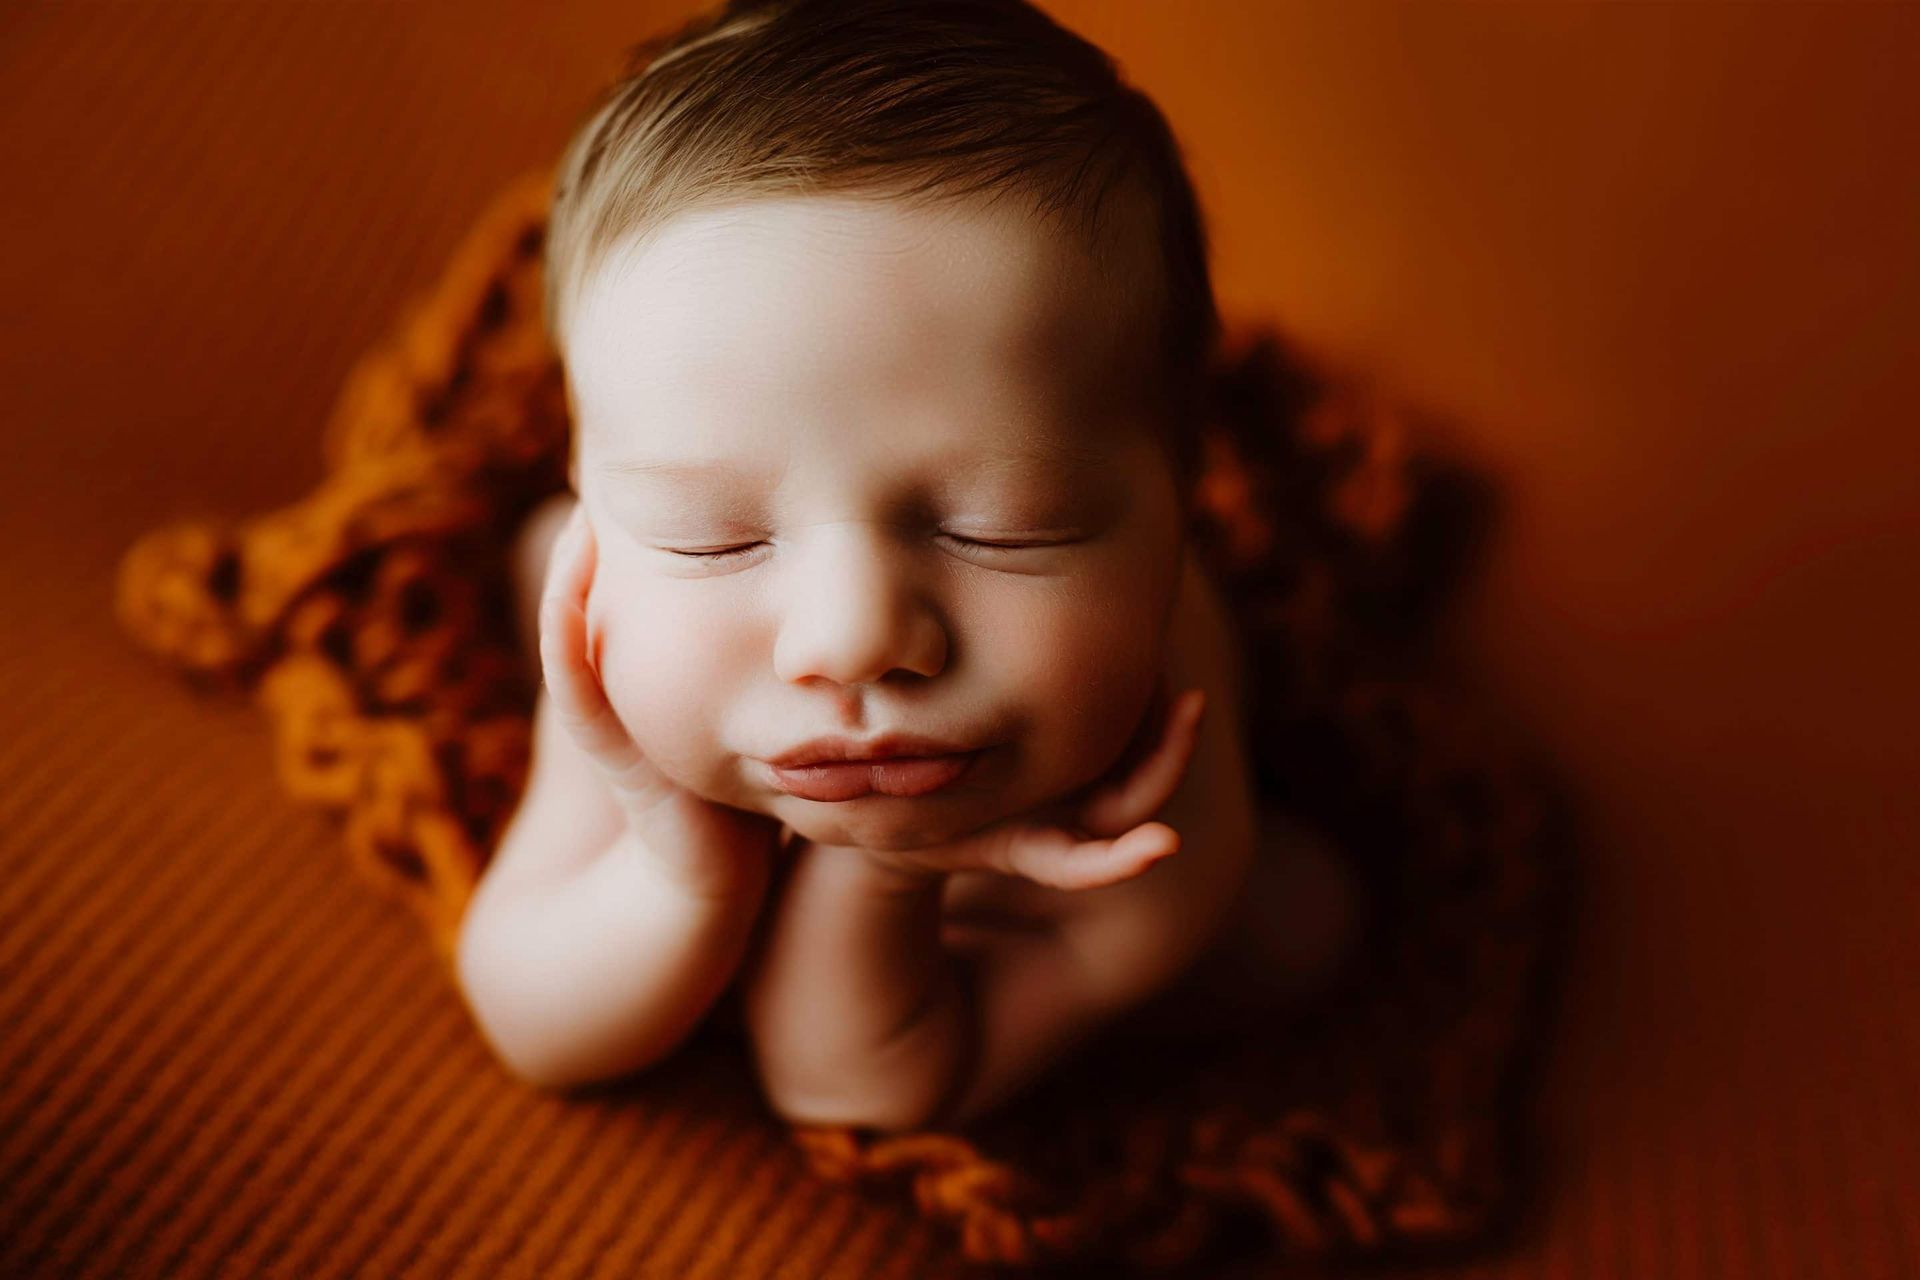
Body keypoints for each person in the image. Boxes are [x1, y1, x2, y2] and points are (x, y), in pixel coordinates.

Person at [455, 0, 1364, 1133]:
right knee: (553, 567)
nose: (850, 635)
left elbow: (852, 1084)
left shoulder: (1153, 821)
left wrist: (894, 869)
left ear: (1180, 506)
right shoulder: (634, 661)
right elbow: (538, 1027)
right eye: (712, 532)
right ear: (594, 479)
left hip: (1048, 900)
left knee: (1300, 929)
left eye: (1003, 523)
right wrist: (679, 865)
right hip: (680, 677)